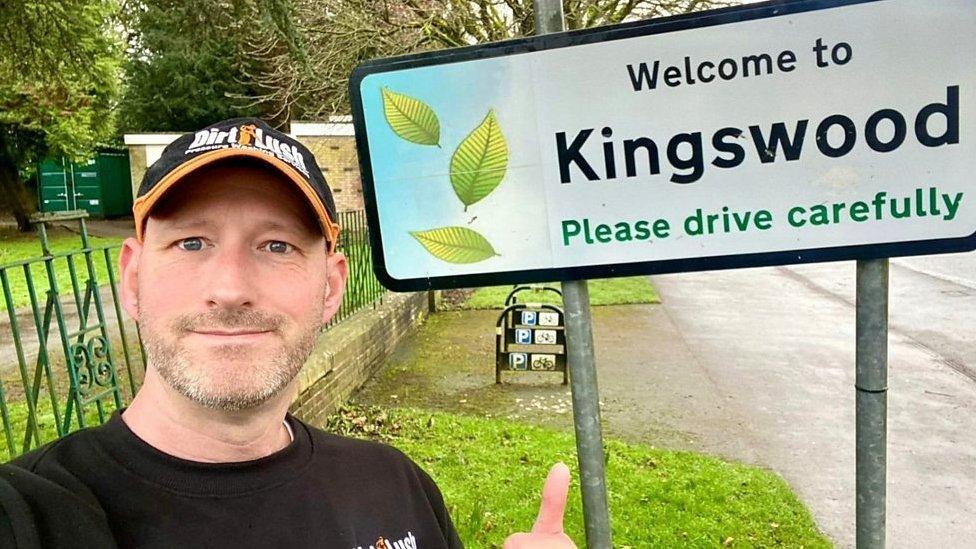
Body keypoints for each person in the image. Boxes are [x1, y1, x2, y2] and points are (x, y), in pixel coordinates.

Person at [0, 118, 576, 549]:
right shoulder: (36, 515)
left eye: (276, 246)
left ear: (330, 287)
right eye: (192, 242)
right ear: (132, 277)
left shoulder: (396, 488)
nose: (229, 289)